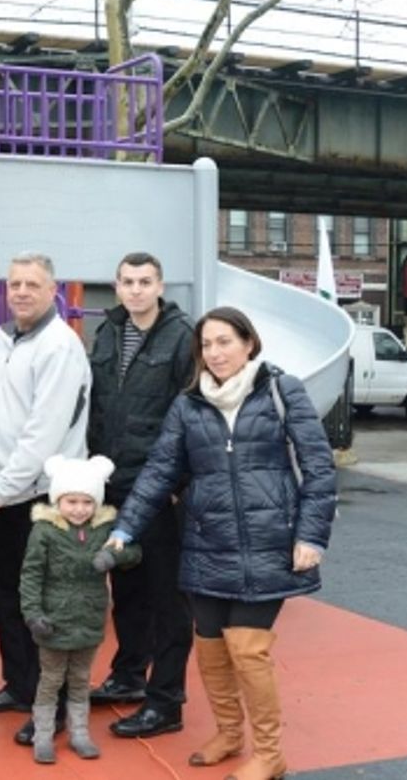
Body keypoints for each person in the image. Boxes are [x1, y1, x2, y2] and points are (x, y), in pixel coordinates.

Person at [106, 306, 338, 780]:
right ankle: (230, 733)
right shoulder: (188, 404)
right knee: (210, 646)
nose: (214, 353)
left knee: (248, 648)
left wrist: (312, 535)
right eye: (206, 345)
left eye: (224, 342)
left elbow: (319, 467)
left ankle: (270, 753)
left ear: (248, 343)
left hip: (270, 543)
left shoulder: (280, 390)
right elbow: (158, 472)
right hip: (206, 543)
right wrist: (124, 527)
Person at [0, 252, 91, 747]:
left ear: (52, 291)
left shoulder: (59, 346)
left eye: (31, 285)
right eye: (15, 283)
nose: (20, 291)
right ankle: (21, 686)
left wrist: (0, 488)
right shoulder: (4, 340)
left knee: (44, 605)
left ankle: (52, 707)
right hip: (8, 493)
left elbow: (42, 434)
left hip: (41, 497)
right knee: (8, 594)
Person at [85, 252, 196, 739]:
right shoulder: (107, 332)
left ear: (160, 285)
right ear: (116, 286)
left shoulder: (181, 336)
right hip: (113, 483)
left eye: (144, 281)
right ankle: (128, 676)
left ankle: (166, 701)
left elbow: (188, 414)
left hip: (158, 487)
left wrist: (174, 485)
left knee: (167, 596)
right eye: (127, 282)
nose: (135, 290)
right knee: (126, 588)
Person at [20, 455, 141, 764]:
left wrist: (115, 557)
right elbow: (31, 575)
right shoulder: (44, 532)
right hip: (53, 620)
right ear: (58, 500)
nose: (79, 509)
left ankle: (80, 733)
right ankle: (43, 734)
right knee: (50, 680)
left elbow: (134, 550)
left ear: (96, 502)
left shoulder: (106, 528)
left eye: (87, 502)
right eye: (71, 501)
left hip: (88, 618)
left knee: (80, 678)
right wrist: (33, 614)